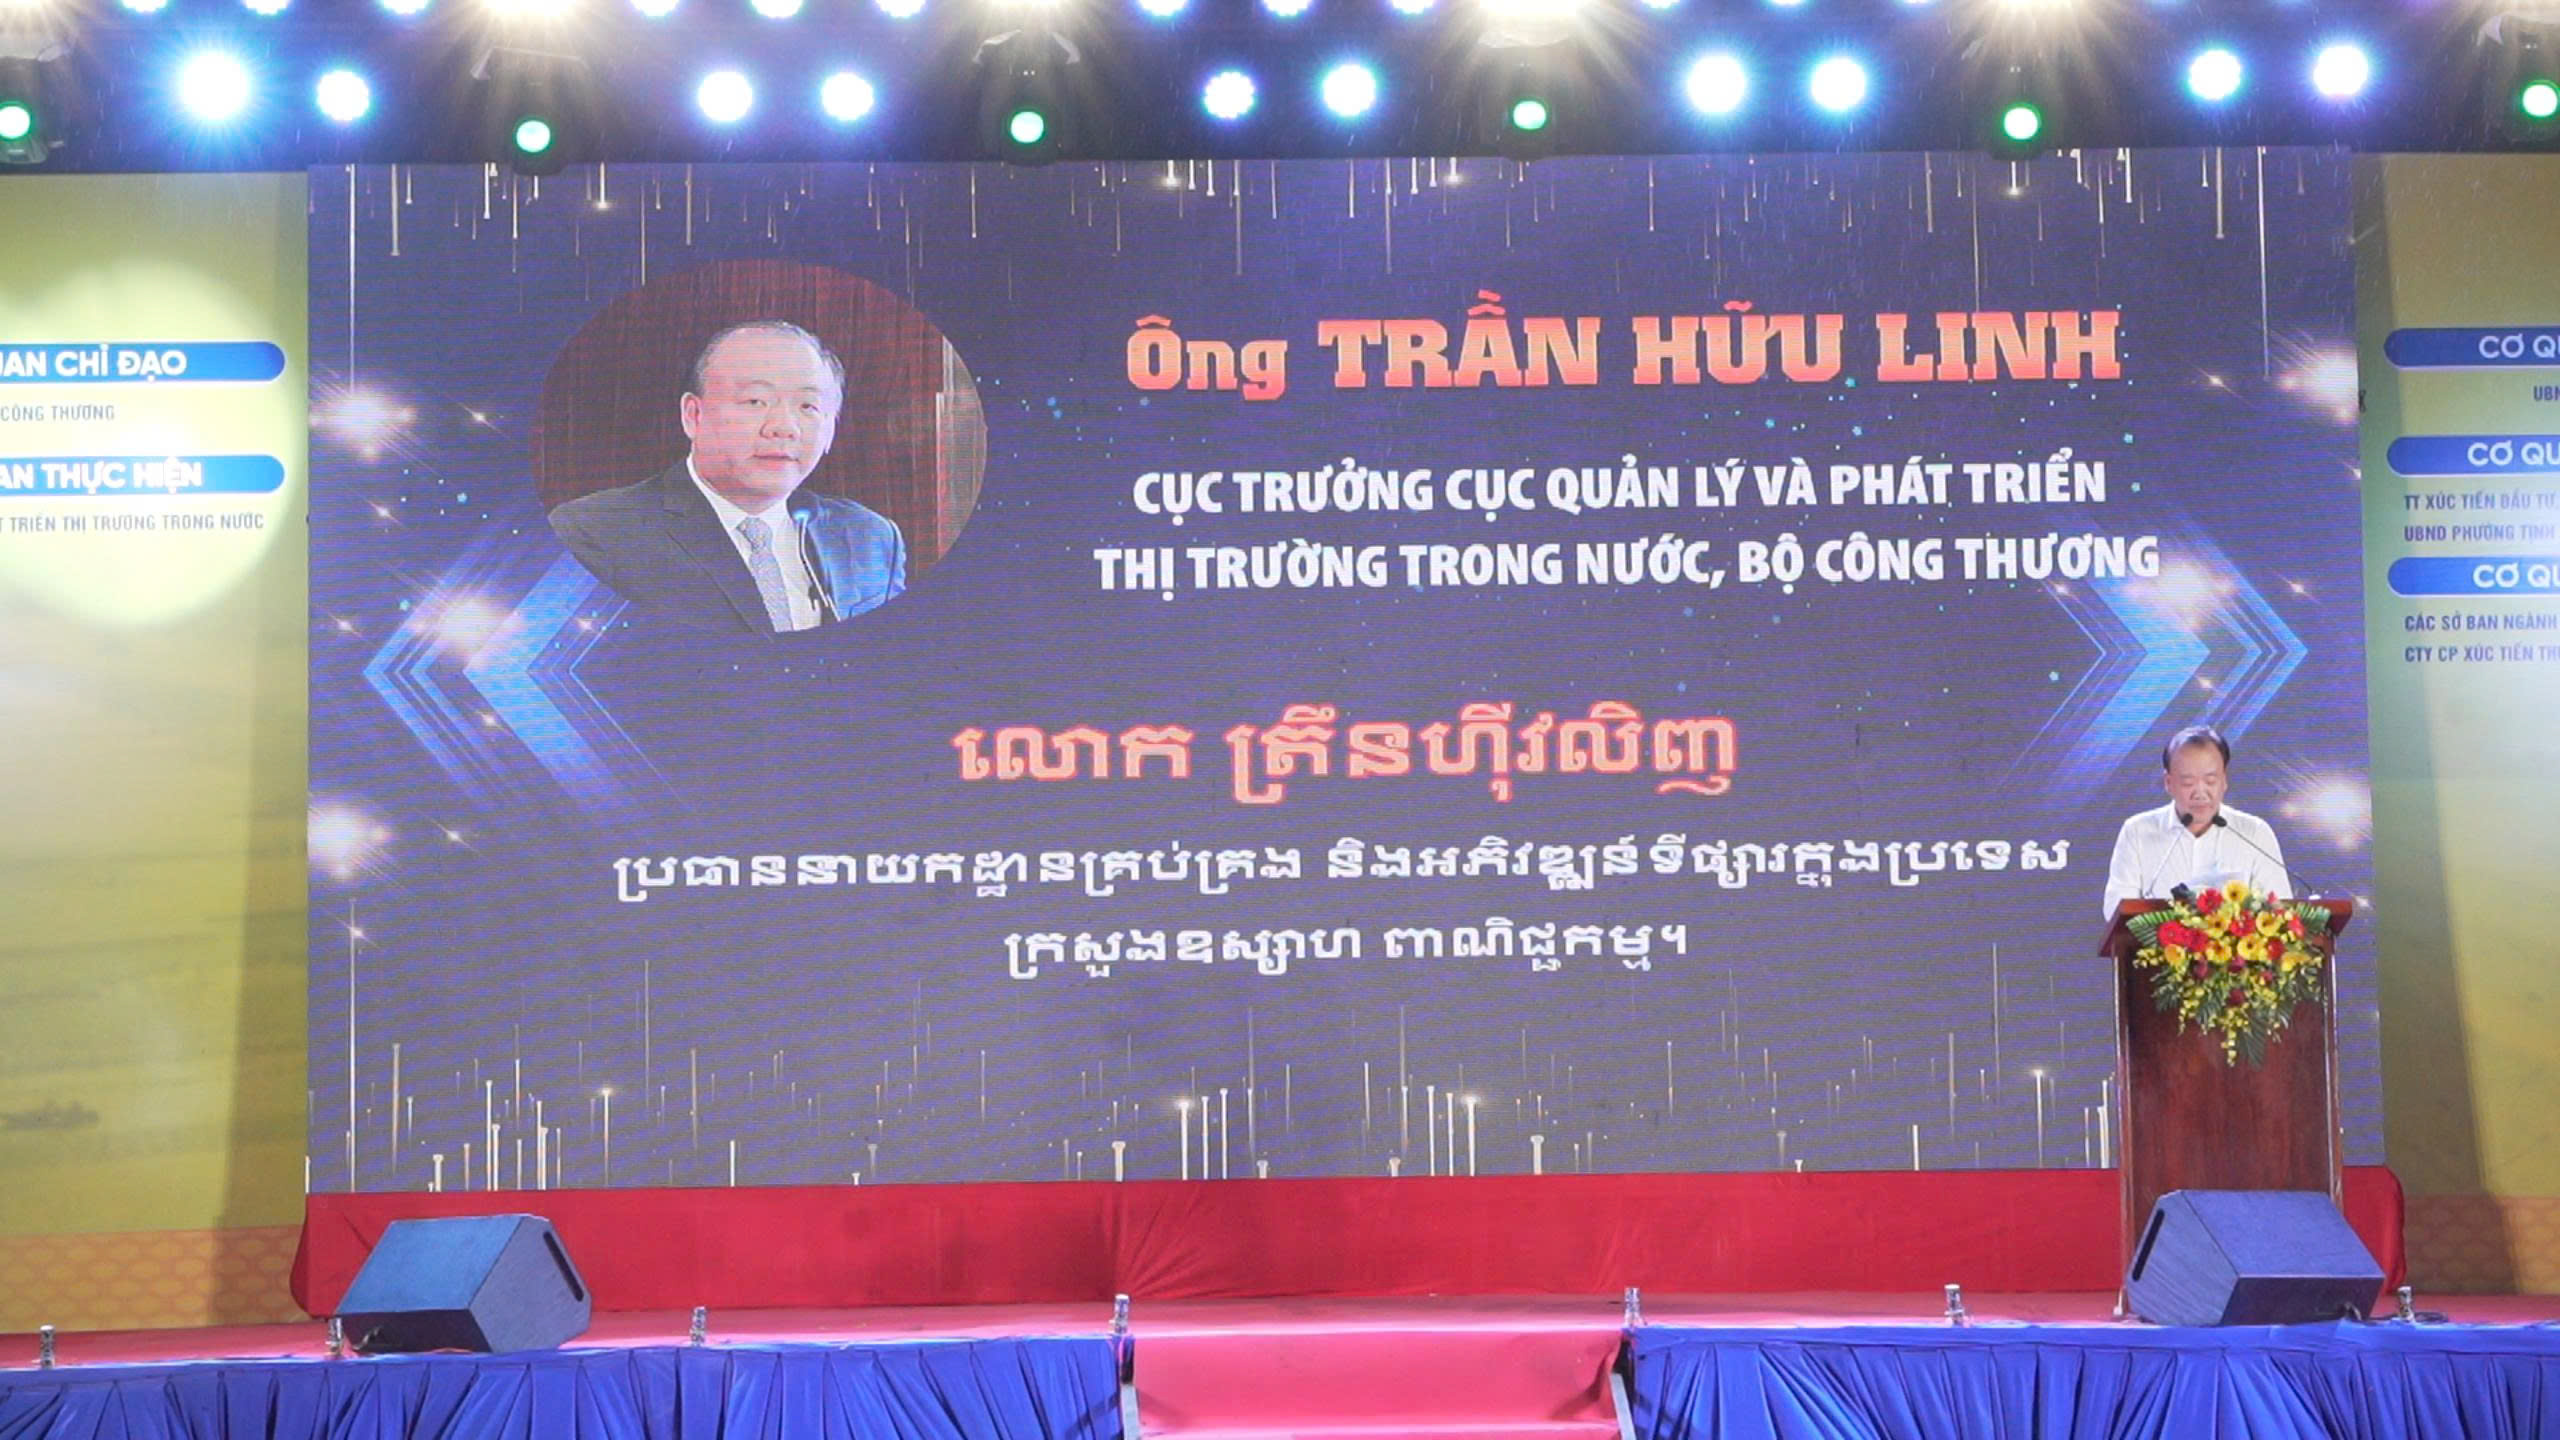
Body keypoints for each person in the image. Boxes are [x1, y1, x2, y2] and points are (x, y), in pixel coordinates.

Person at [550, 320, 906, 636]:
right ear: (693, 416)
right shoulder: (594, 533)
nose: (784, 427)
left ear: (831, 429)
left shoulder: (870, 537)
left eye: (808, 406)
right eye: (755, 401)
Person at [2100, 725, 2292, 919]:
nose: (2200, 793)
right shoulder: (2137, 832)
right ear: (2168, 783)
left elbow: (2279, 910)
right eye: (2188, 782)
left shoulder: (2255, 833)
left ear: (2224, 781)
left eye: (2210, 781)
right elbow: (2116, 910)